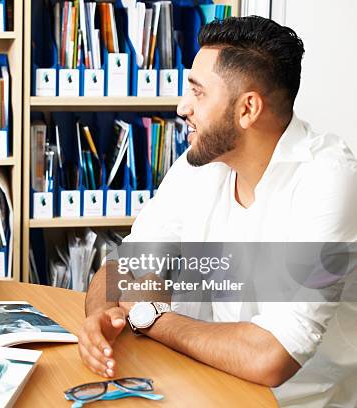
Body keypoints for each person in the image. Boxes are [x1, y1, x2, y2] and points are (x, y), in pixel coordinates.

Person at [78, 16, 357, 408]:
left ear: (248, 109)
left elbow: (272, 355)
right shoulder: (204, 162)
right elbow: (128, 263)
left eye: (198, 93)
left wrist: (151, 317)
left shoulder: (330, 181)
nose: (181, 107)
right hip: (206, 384)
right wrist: (100, 317)